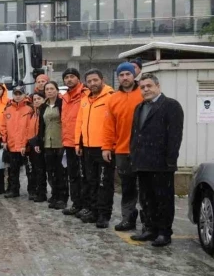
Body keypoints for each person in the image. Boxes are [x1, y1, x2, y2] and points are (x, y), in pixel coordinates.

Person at [129, 73, 184, 247]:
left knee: (163, 200)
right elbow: (135, 134)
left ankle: (164, 232)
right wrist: (134, 155)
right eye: (143, 87)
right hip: (142, 162)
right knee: (146, 199)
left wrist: (170, 161)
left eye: (149, 86)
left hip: (161, 164)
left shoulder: (171, 106)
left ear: (158, 86)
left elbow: (175, 136)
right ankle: (150, 229)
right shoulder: (139, 108)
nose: (146, 90)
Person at [102, 63, 144, 232]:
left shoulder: (143, 93)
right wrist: (106, 147)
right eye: (122, 75)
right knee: (127, 188)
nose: (125, 77)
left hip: (143, 151)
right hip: (122, 150)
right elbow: (109, 126)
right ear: (117, 77)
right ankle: (128, 218)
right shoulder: (113, 99)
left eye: (128, 74)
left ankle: (148, 221)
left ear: (134, 75)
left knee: (146, 188)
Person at [75, 69, 115, 228]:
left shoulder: (111, 97)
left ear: (102, 79)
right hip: (87, 148)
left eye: (95, 80)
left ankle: (104, 214)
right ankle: (93, 210)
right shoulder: (85, 100)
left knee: (104, 183)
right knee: (91, 181)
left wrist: (109, 146)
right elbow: (80, 122)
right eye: (89, 81)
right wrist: (78, 143)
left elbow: (113, 124)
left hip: (104, 148)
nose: (92, 84)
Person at [60, 68, 88, 216]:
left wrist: (81, 141)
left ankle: (85, 205)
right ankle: (76, 203)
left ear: (78, 78)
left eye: (72, 77)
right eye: (66, 77)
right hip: (69, 142)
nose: (69, 79)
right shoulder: (65, 97)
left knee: (84, 176)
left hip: (82, 142)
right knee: (73, 175)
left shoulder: (85, 94)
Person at [36, 82, 66, 209]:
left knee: (61, 172)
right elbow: (41, 126)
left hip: (60, 142)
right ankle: (54, 195)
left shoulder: (62, 103)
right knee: (51, 171)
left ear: (57, 90)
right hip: (47, 142)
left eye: (52, 89)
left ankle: (63, 198)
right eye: (47, 89)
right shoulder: (43, 106)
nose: (49, 91)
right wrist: (38, 141)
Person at [2, 86, 34, 198]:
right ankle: (14, 190)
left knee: (29, 171)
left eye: (20, 93)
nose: (18, 96)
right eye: (16, 93)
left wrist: (26, 143)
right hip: (11, 145)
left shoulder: (30, 109)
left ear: (24, 95)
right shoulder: (8, 109)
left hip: (26, 146)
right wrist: (4, 141)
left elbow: (30, 128)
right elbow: (4, 127)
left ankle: (32, 191)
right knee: (13, 170)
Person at [27, 92, 47, 202]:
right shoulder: (32, 114)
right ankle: (36, 191)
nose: (36, 101)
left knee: (41, 171)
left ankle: (42, 192)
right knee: (34, 170)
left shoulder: (44, 112)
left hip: (42, 145)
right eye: (34, 99)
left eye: (39, 98)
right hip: (32, 145)